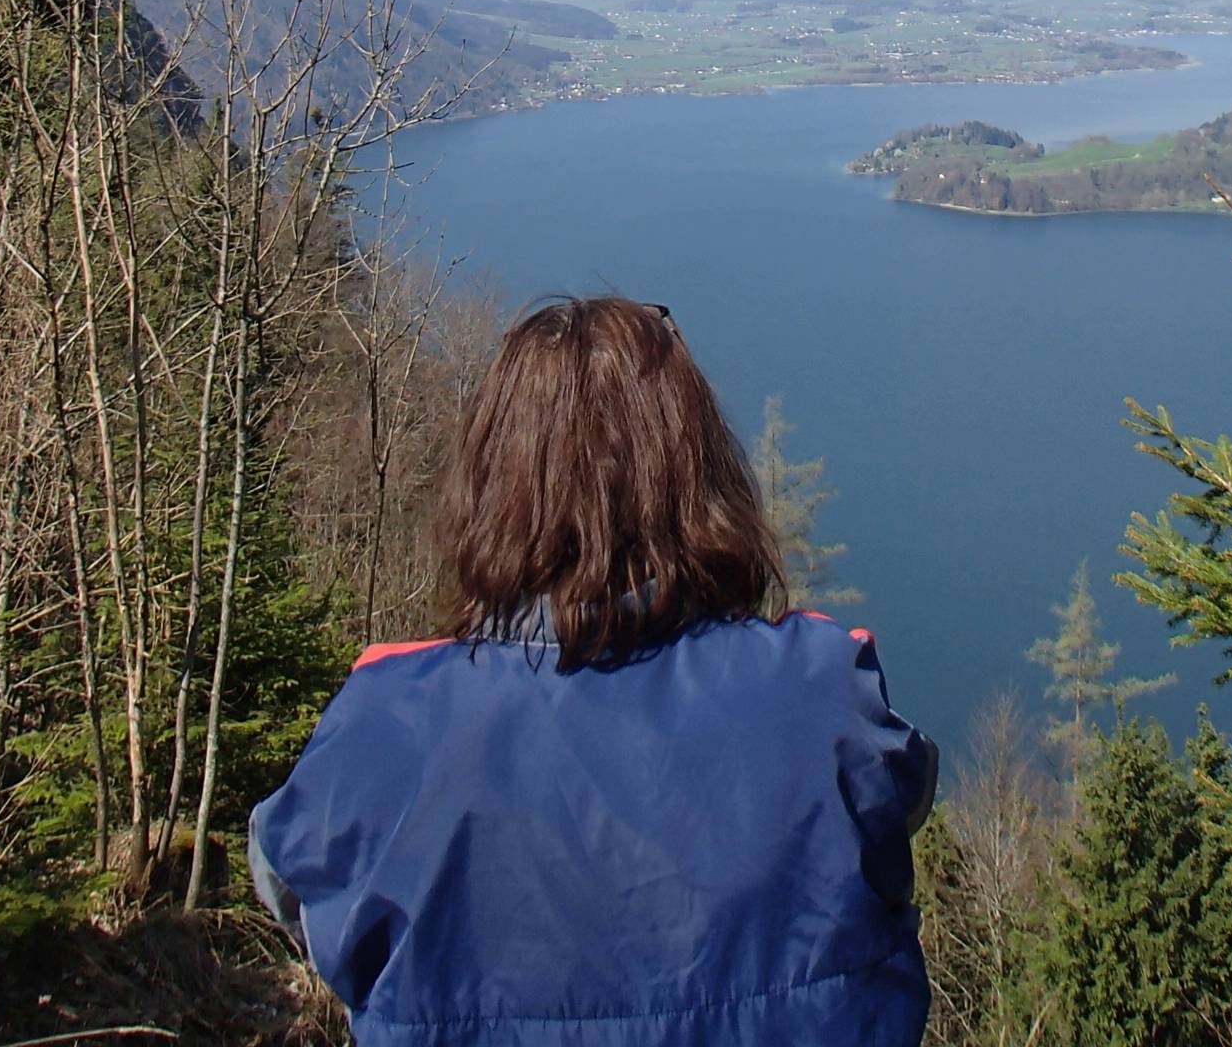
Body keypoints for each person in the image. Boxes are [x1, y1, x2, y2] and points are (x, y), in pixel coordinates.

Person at [249, 295, 936, 1046]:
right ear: (699, 475)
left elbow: (286, 871)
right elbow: (900, 792)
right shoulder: (821, 692)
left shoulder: (388, 724)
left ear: (493, 489)